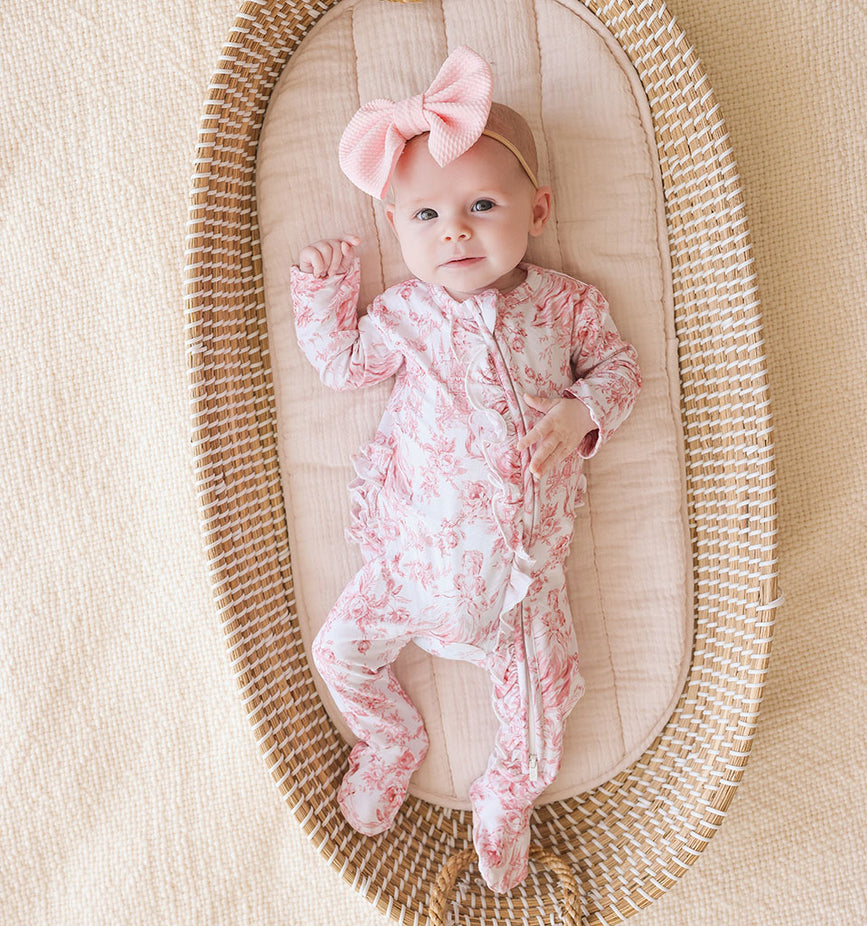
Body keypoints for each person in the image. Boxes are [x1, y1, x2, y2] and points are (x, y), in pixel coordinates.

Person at [290, 46, 641, 893]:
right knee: (339, 653)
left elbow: (620, 370)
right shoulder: (404, 315)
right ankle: (390, 740)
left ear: (538, 209)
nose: (455, 230)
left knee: (541, 717)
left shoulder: (564, 305)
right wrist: (323, 295)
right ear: (395, 228)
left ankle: (505, 795)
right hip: (412, 565)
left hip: (520, 584)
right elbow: (342, 364)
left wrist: (581, 412)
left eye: (482, 205)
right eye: (427, 215)